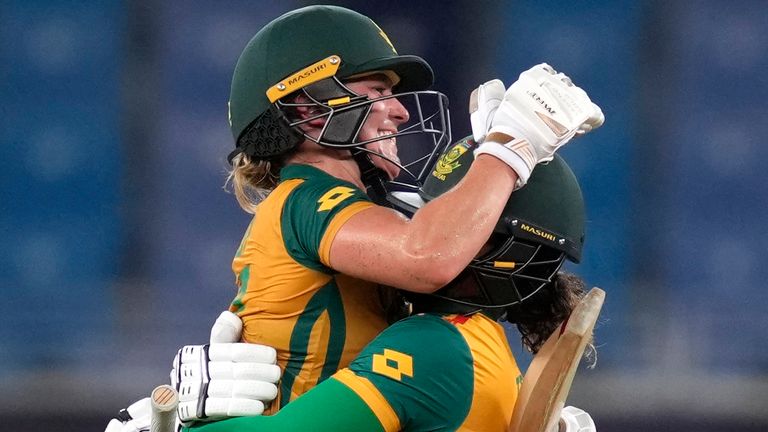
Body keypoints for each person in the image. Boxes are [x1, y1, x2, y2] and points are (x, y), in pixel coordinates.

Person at [105, 4, 603, 429]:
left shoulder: (432, 331)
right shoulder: (305, 197)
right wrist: (508, 151)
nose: (401, 112)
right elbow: (427, 256)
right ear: (307, 106)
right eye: (377, 90)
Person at [181, 143, 598, 432]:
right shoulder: (486, 349)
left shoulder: (435, 345)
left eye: (456, 219)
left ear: (507, 254)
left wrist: (185, 420)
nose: (430, 230)